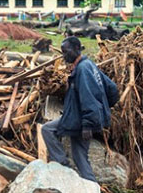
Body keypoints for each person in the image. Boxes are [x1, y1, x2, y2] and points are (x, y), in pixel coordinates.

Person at [41, 37, 119, 182]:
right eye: (63, 52)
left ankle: (64, 168)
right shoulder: (89, 65)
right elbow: (112, 89)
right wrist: (104, 109)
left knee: (48, 130)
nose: (64, 55)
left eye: (66, 51)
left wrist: (88, 124)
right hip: (78, 118)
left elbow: (88, 97)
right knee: (79, 156)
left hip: (80, 121)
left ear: (77, 48)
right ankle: (91, 188)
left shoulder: (83, 69)